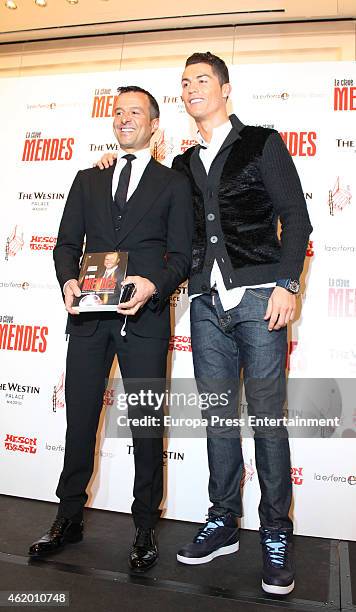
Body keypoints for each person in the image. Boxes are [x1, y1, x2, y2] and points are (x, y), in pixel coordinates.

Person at [96, 53, 313, 595]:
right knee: (218, 418)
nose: (192, 88)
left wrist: (288, 284)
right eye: (184, 82)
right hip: (206, 305)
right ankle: (223, 521)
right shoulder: (186, 164)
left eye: (201, 80)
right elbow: (153, 195)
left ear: (224, 87)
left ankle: (276, 533)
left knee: (266, 420)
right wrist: (112, 164)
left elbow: (298, 217)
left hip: (262, 299)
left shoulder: (261, 142)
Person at [28, 85, 193, 573]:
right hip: (88, 321)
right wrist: (68, 281)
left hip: (144, 318)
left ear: (154, 124)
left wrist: (153, 284)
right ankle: (68, 518)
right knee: (79, 420)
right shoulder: (88, 179)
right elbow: (63, 246)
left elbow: (183, 256)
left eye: (135, 112)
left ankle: (144, 527)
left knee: (145, 425)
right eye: (117, 112)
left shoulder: (173, 183)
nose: (124, 119)